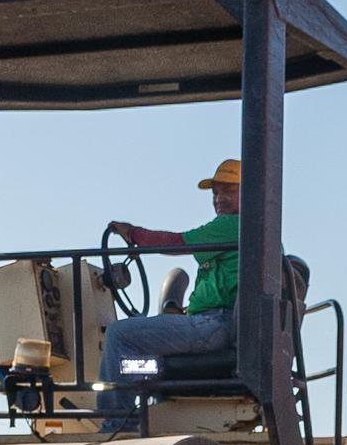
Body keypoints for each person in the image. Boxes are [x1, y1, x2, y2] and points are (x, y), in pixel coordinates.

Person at [97, 160, 246, 427]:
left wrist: (133, 234)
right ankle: (142, 400)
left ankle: (117, 425)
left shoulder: (236, 225)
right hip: (219, 323)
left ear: (250, 193)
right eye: (215, 193)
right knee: (138, 360)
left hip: (216, 325)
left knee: (119, 335)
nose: (219, 199)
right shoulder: (247, 230)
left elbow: (176, 243)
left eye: (228, 191)